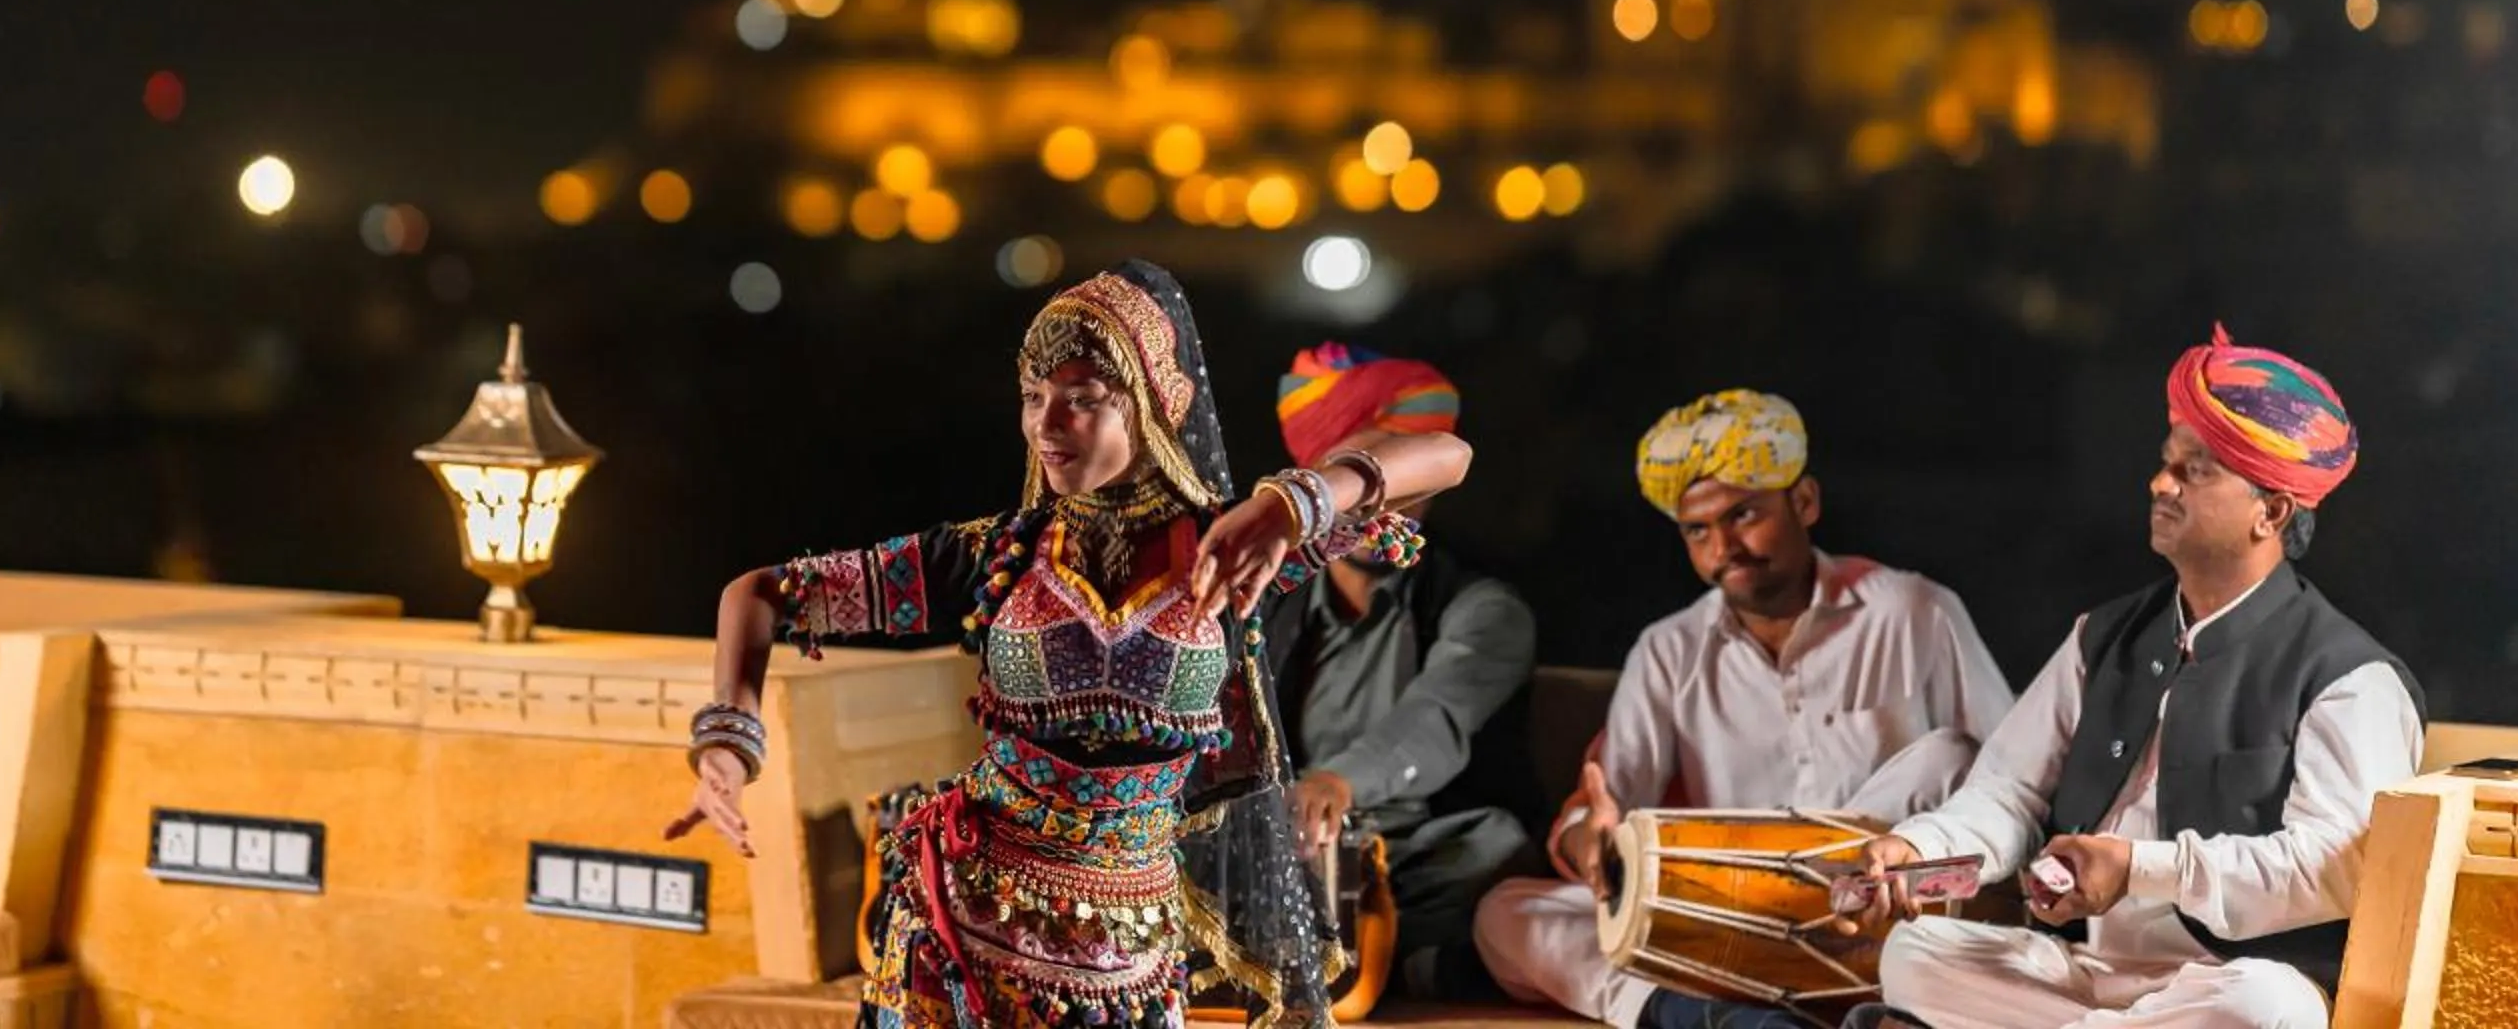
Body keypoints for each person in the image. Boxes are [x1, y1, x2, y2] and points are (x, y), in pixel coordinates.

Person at [663, 261, 1472, 1028]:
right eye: (1031, 395)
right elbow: (762, 595)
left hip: (1132, 946)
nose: (1046, 426)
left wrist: (1300, 500)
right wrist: (729, 749)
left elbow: (1446, 457)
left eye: (1081, 398)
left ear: (1159, 403)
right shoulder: (996, 555)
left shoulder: (1231, 551)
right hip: (966, 925)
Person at [1850, 326, 2422, 1029]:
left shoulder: (2349, 677)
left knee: (2270, 1009)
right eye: (2165, 462)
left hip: (2221, 987)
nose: (2160, 483)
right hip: (2087, 977)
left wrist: (2137, 867)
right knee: (1915, 953)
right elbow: (2010, 789)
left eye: (2196, 471)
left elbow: (2333, 868)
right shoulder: (2104, 635)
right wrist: (1922, 848)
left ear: (2270, 512)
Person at [1474, 388, 2012, 1029]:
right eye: (1697, 530)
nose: (1721, 546)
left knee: (1951, 754)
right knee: (1507, 912)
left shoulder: (1915, 610)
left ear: (1804, 502)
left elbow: (2013, 784)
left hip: (1886, 921)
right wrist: (1590, 835)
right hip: (1726, 935)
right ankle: (1708, 1019)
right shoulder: (1669, 649)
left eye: (1743, 515)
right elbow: (1606, 805)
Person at [1257, 343, 1535, 1002]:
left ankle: (1374, 957)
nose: (1401, 499)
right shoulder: (1271, 600)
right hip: (1292, 849)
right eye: (1378, 471)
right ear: (1323, 480)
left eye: (1415, 473)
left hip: (1418, 855)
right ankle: (1414, 965)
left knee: (1495, 849)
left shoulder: (1480, 608)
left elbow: (1434, 721)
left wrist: (1335, 783)